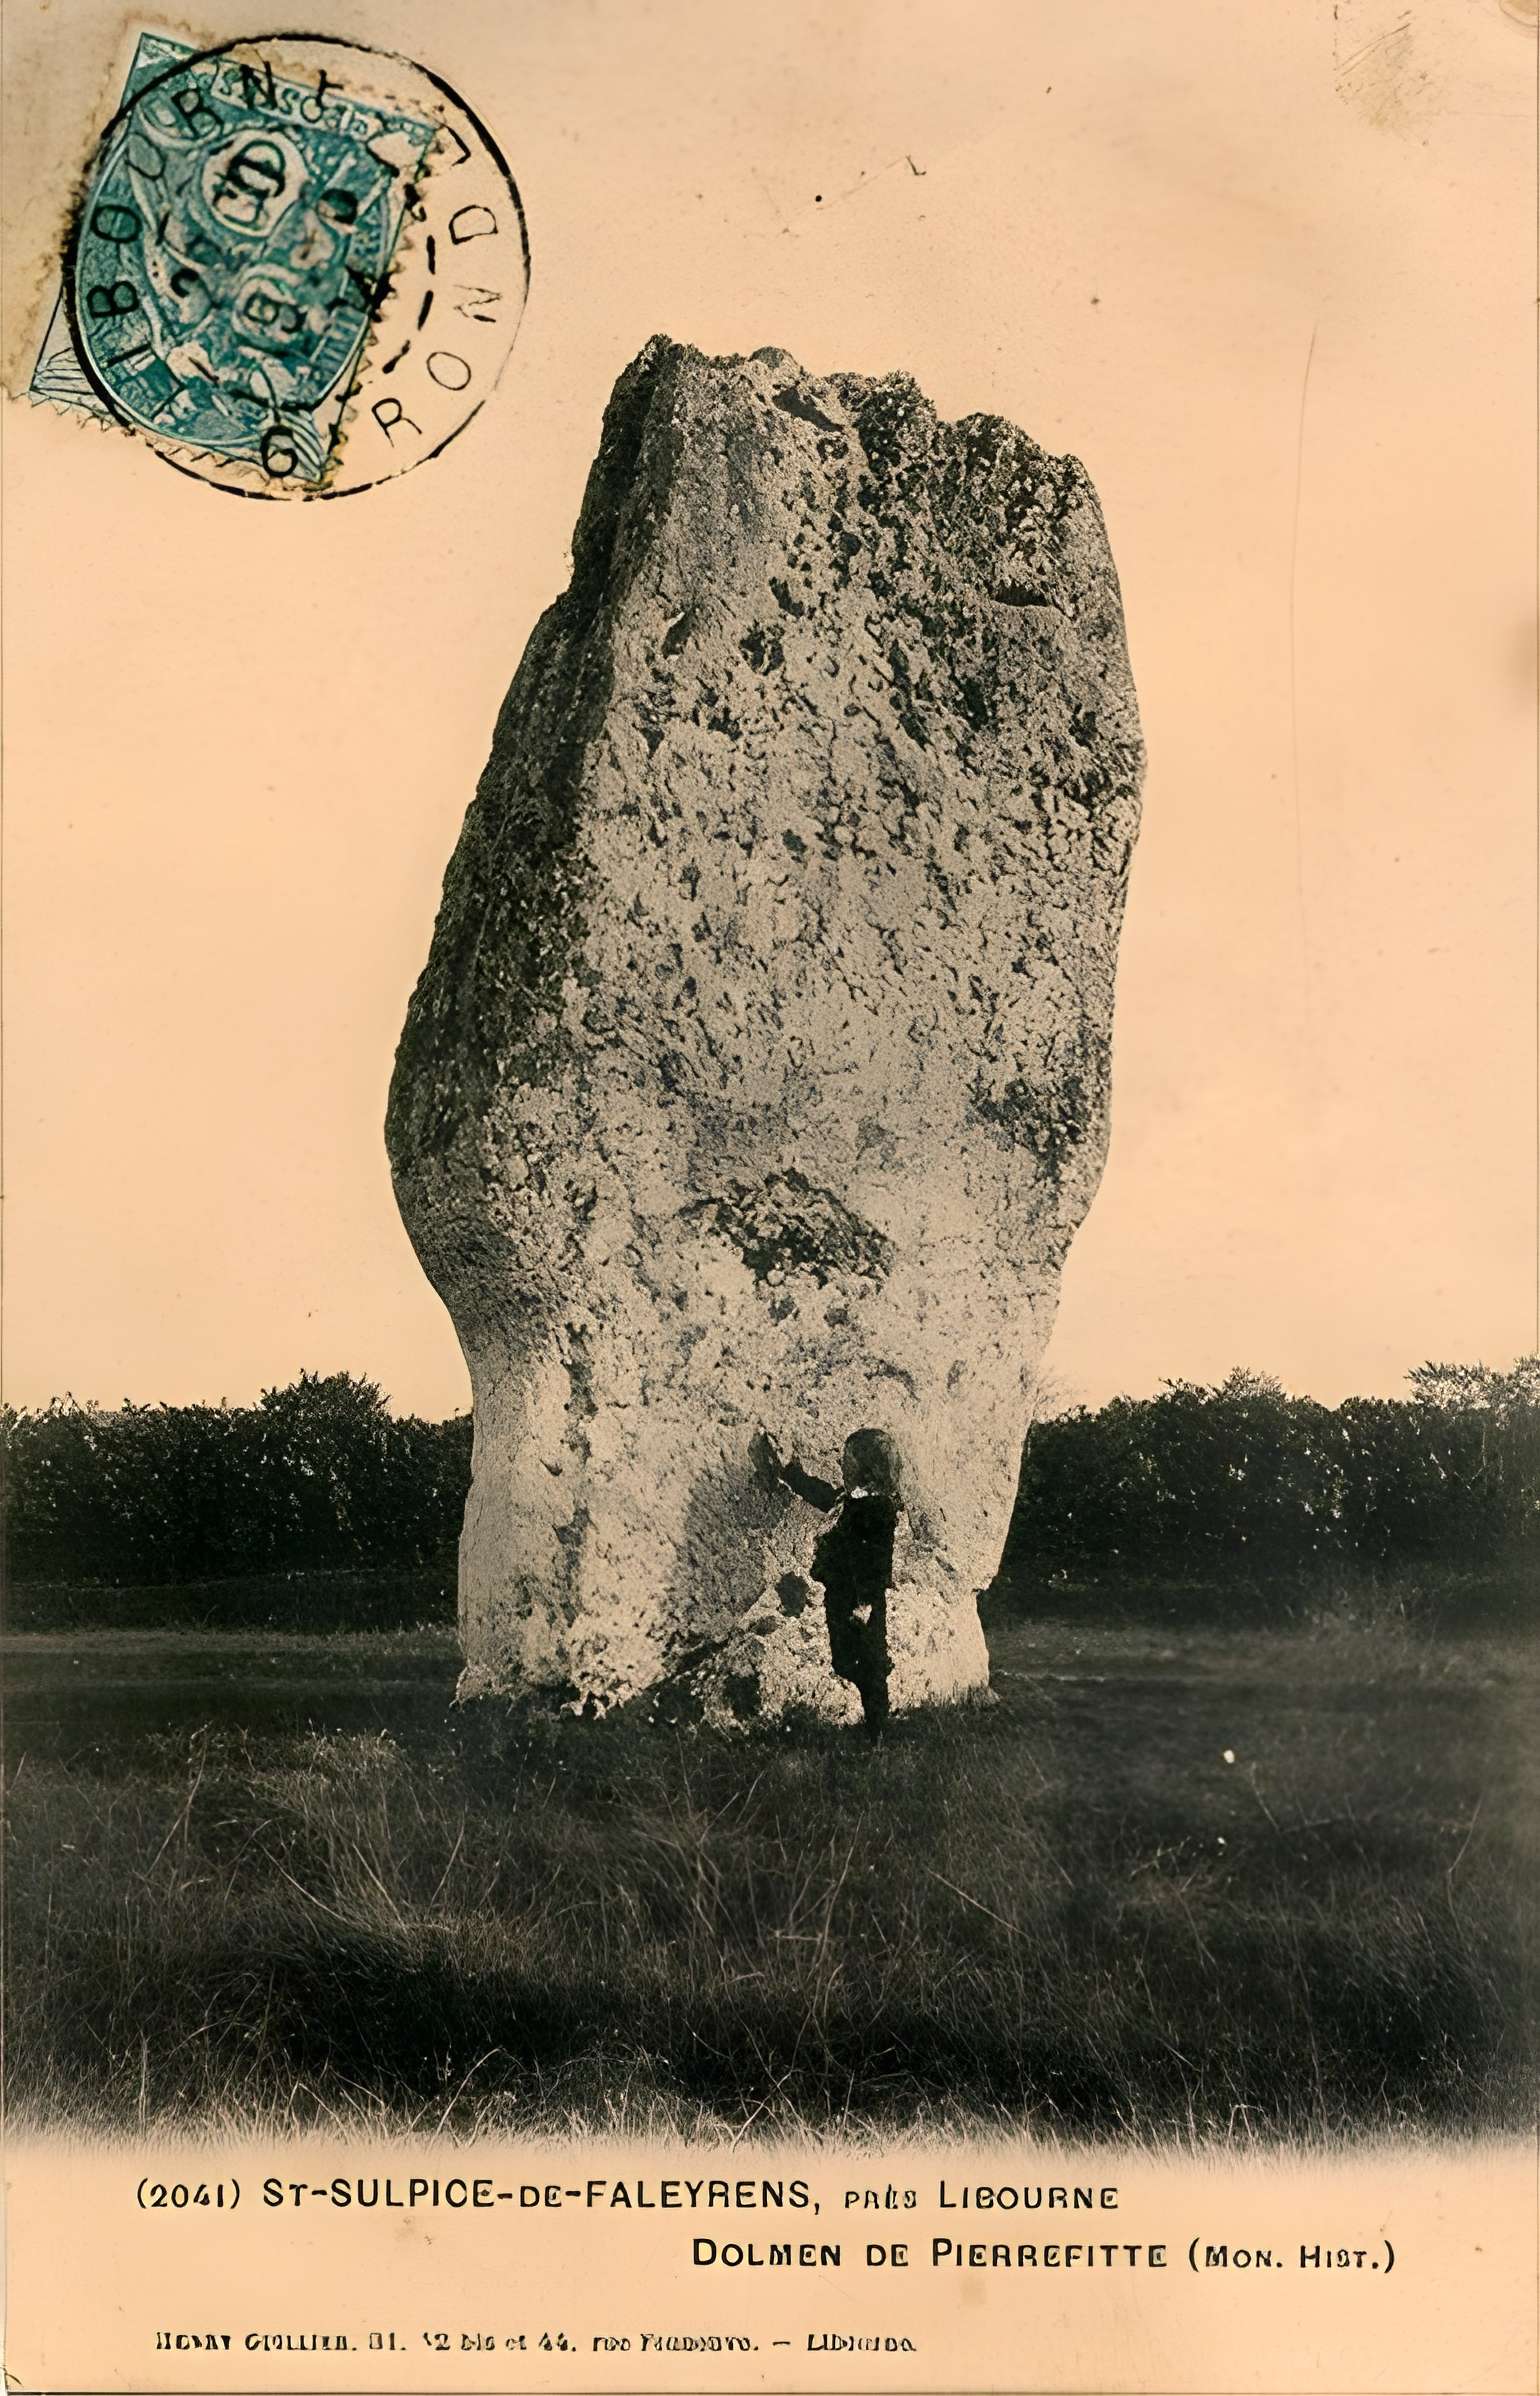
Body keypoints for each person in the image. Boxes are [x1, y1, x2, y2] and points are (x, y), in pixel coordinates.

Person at [754, 1427, 903, 1738]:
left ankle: (879, 1730)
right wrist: (790, 1472)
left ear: (866, 1467)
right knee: (844, 1661)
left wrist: (865, 1603)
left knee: (865, 1661)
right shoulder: (848, 1501)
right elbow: (820, 1493)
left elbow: (878, 1561)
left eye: (848, 1459)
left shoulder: (877, 1508)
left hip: (860, 1600)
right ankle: (877, 1683)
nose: (842, 1464)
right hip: (840, 1594)